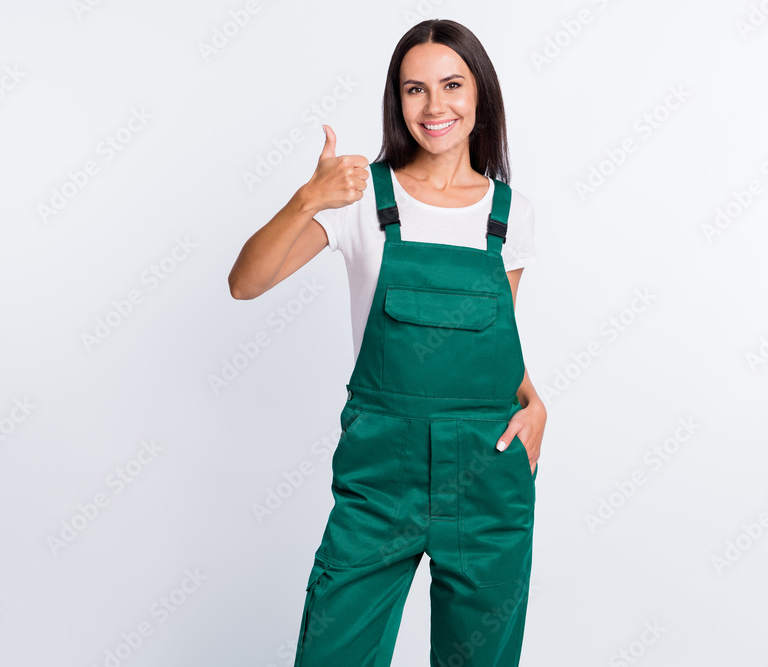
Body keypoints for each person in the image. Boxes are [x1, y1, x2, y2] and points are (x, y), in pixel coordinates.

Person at [228, 18, 547, 667]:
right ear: (396, 101)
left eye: (452, 85)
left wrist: (534, 400)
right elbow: (244, 282)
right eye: (415, 89)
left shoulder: (508, 212)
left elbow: (498, 337)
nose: (435, 107)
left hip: (487, 471)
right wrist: (306, 198)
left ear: (479, 93)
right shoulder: (360, 199)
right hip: (382, 476)